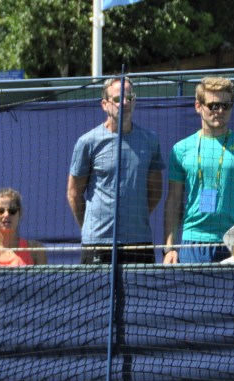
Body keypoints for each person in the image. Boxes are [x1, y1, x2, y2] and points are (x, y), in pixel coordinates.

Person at [67, 77, 165, 265]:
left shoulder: (150, 140)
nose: (125, 103)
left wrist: (133, 218)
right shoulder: (87, 142)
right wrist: (90, 229)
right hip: (98, 243)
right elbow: (74, 193)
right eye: (118, 99)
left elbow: (155, 192)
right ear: (104, 104)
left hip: (139, 242)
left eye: (130, 97)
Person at [163, 76, 234, 265]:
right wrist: (169, 248)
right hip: (194, 241)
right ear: (198, 106)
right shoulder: (181, 149)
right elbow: (174, 200)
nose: (220, 111)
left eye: (226, 105)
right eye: (213, 105)